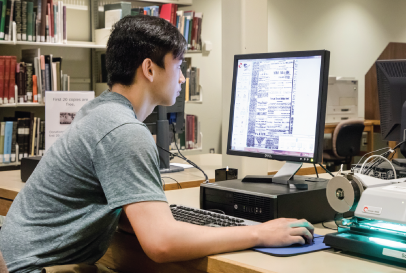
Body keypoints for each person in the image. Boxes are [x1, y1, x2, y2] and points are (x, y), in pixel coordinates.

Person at [0, 15, 314, 273]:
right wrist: (260, 232)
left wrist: (160, 218)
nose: (181, 79)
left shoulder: (97, 111)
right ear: (150, 69)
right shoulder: (124, 130)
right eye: (178, 66)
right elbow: (161, 244)